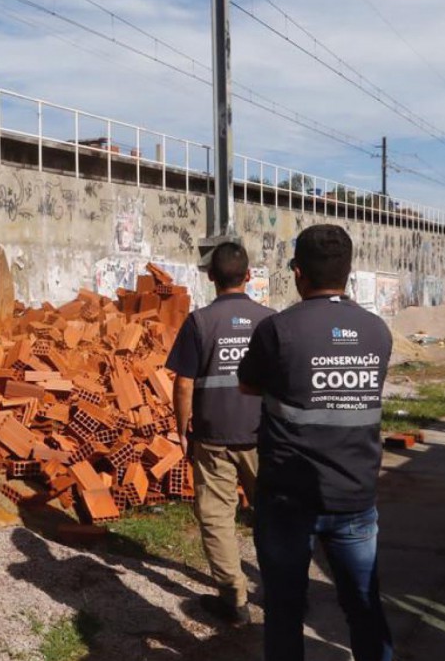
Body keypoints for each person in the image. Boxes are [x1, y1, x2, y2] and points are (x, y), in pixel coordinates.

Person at [237, 224, 394, 661]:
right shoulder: (377, 331)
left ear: (298, 273)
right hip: (355, 497)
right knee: (364, 606)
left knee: (285, 611)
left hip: (289, 498)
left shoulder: (277, 329)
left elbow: (248, 386)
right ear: (348, 271)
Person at [164, 241, 275, 627]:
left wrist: (181, 429)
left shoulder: (199, 322)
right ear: (249, 276)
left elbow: (183, 384)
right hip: (264, 436)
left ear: (210, 276)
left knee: (217, 519)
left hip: (213, 436)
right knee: (274, 516)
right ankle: (283, 593)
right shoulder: (270, 321)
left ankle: (234, 600)